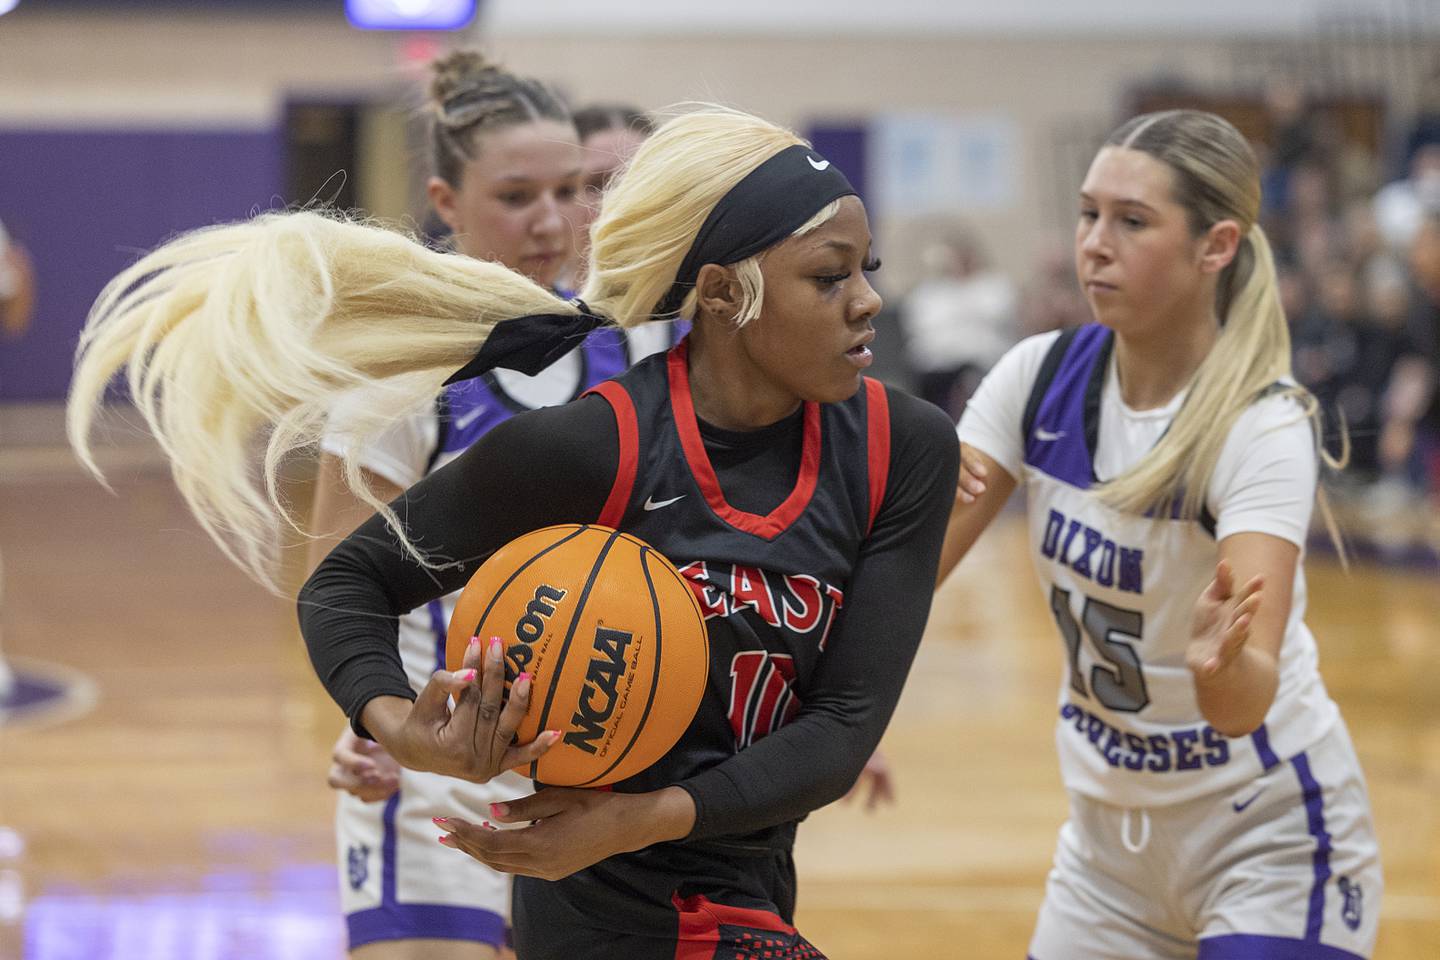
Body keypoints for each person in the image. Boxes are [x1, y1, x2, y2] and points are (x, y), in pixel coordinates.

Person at [67, 106, 959, 959]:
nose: (869, 301)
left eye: (867, 268)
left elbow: (843, 726)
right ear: (724, 293)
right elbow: (347, 584)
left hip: (743, 887)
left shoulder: (902, 447)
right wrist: (397, 728)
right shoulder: (596, 445)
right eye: (830, 275)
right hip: (599, 918)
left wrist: (639, 818)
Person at [938, 109, 1381, 959]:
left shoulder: (1261, 427)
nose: (1095, 243)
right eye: (1088, 213)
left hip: (1269, 840)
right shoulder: (1036, 378)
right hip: (1107, 859)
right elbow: (907, 572)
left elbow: (1245, 700)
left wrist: (1221, 668)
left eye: (1132, 221)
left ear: (1215, 246)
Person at [310, 52, 633, 959]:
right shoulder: (402, 366)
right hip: (437, 761)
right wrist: (368, 724)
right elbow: (337, 584)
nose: (552, 221)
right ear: (445, 202)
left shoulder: (627, 353)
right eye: (517, 195)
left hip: (595, 756)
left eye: (571, 190)